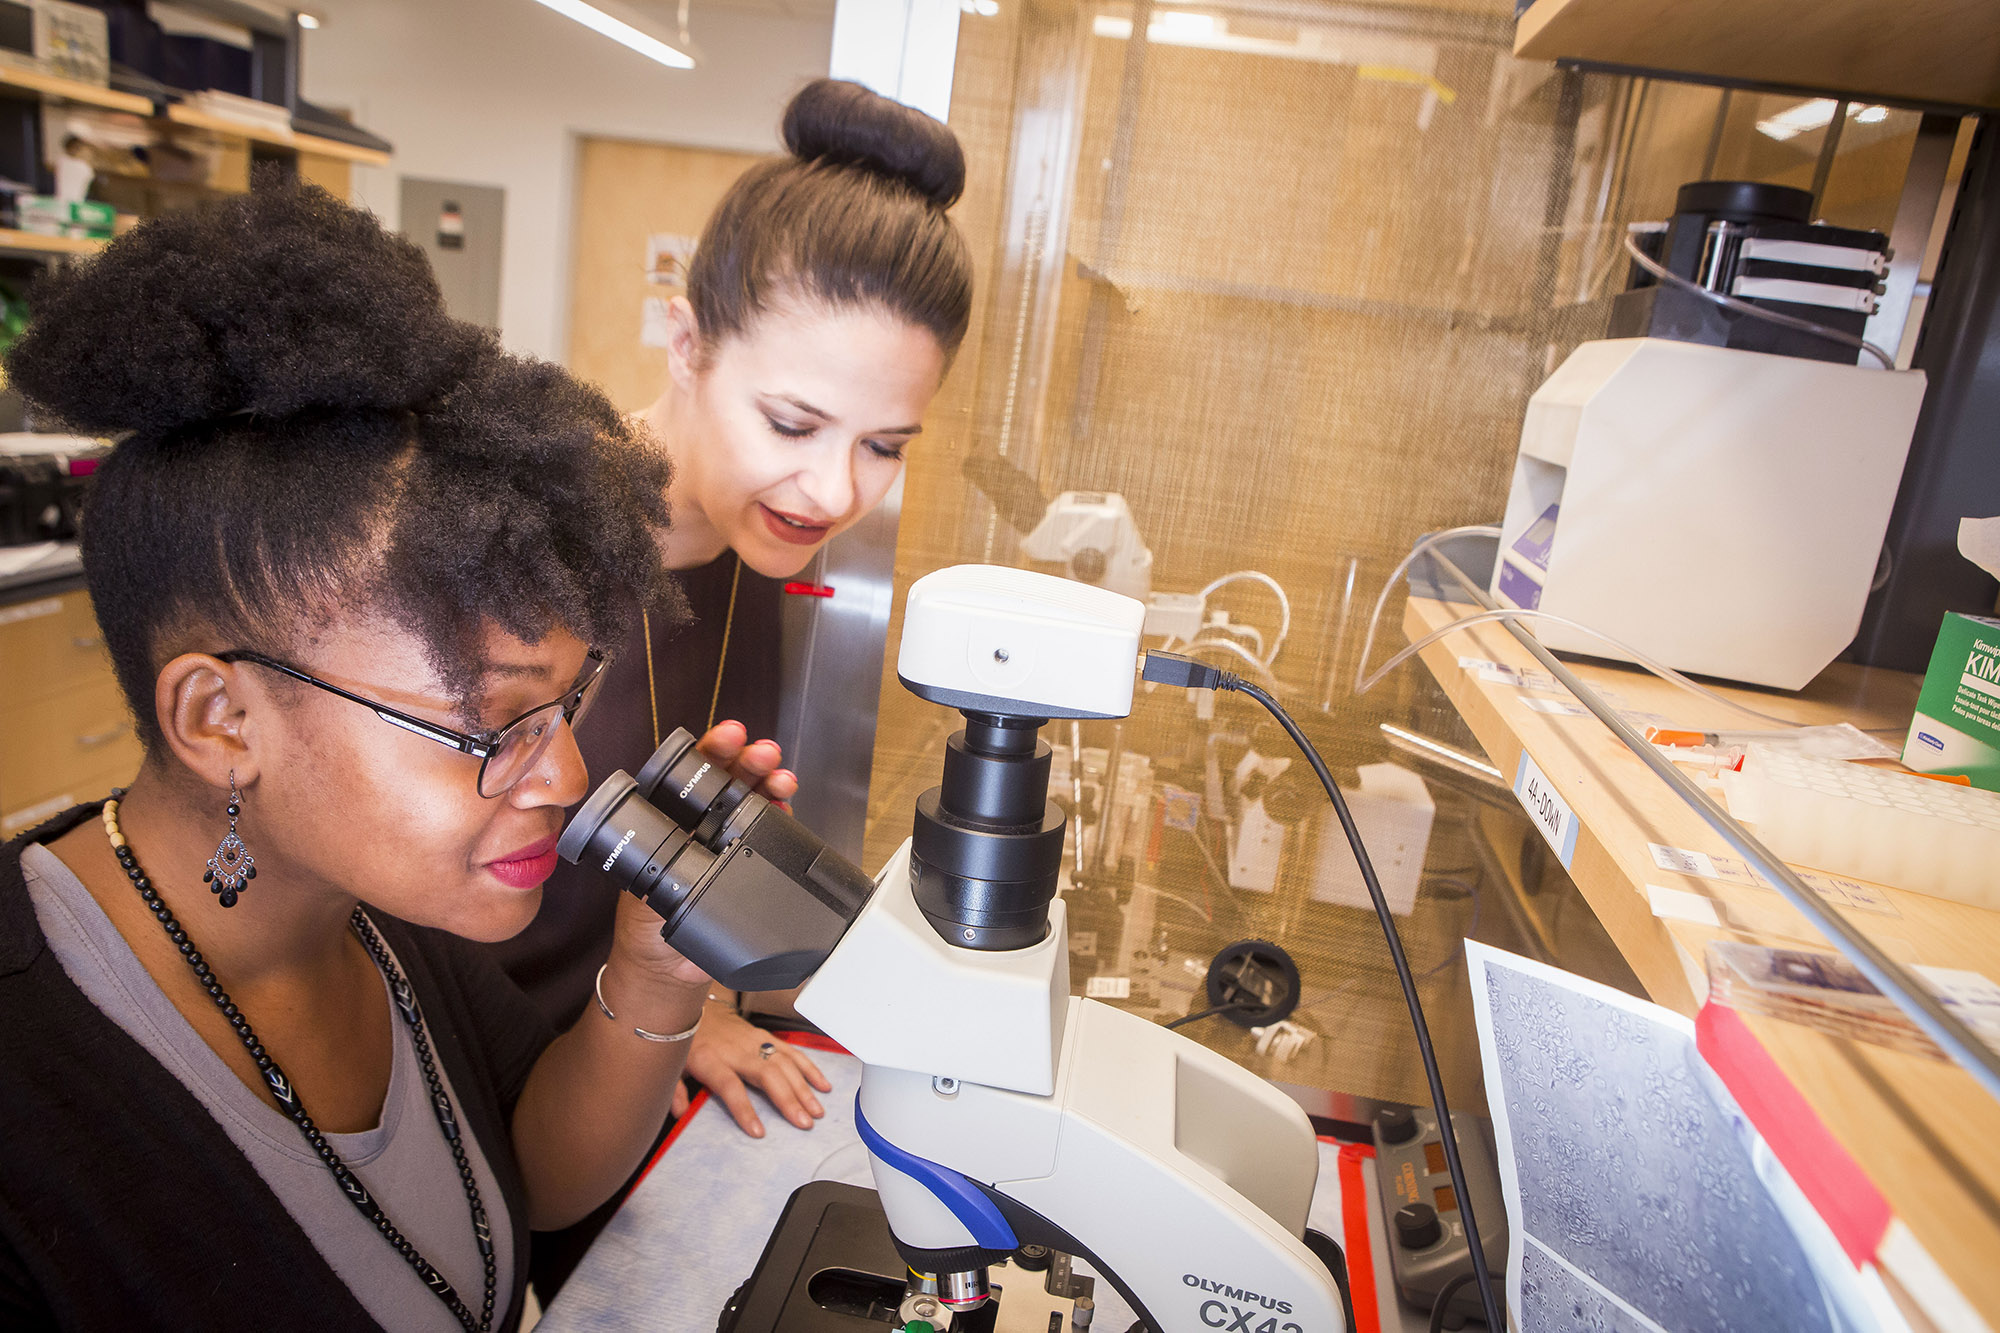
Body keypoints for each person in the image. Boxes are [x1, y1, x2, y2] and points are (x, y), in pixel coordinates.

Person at [0, 181, 782, 1331]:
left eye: (565, 708)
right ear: (221, 719)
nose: (563, 779)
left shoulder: (385, 909)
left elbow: (528, 1184)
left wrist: (657, 968)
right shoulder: (35, 1083)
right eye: (489, 726)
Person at [497, 78, 975, 1142]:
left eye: (884, 444)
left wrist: (678, 1008)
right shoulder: (521, 549)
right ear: (687, 344)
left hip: (609, 1067)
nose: (837, 490)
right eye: (792, 422)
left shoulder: (750, 544)